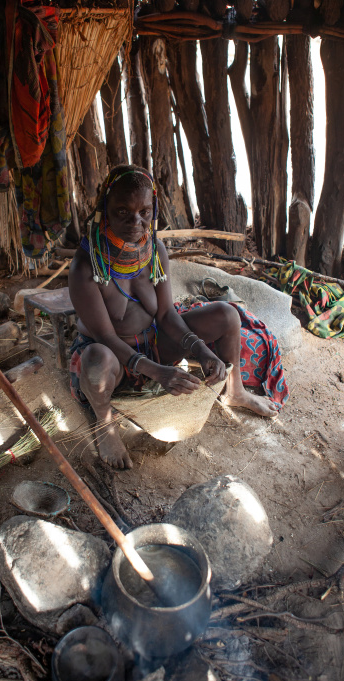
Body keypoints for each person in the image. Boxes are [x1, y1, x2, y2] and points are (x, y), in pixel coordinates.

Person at [69, 165, 280, 470]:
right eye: (122, 211)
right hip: (112, 358)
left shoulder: (154, 251)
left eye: (144, 211)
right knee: (96, 360)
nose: (136, 221)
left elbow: (167, 314)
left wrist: (202, 351)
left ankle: (235, 391)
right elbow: (106, 337)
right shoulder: (87, 266)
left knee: (227, 315)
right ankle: (105, 425)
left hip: (153, 342)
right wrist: (159, 372)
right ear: (105, 211)